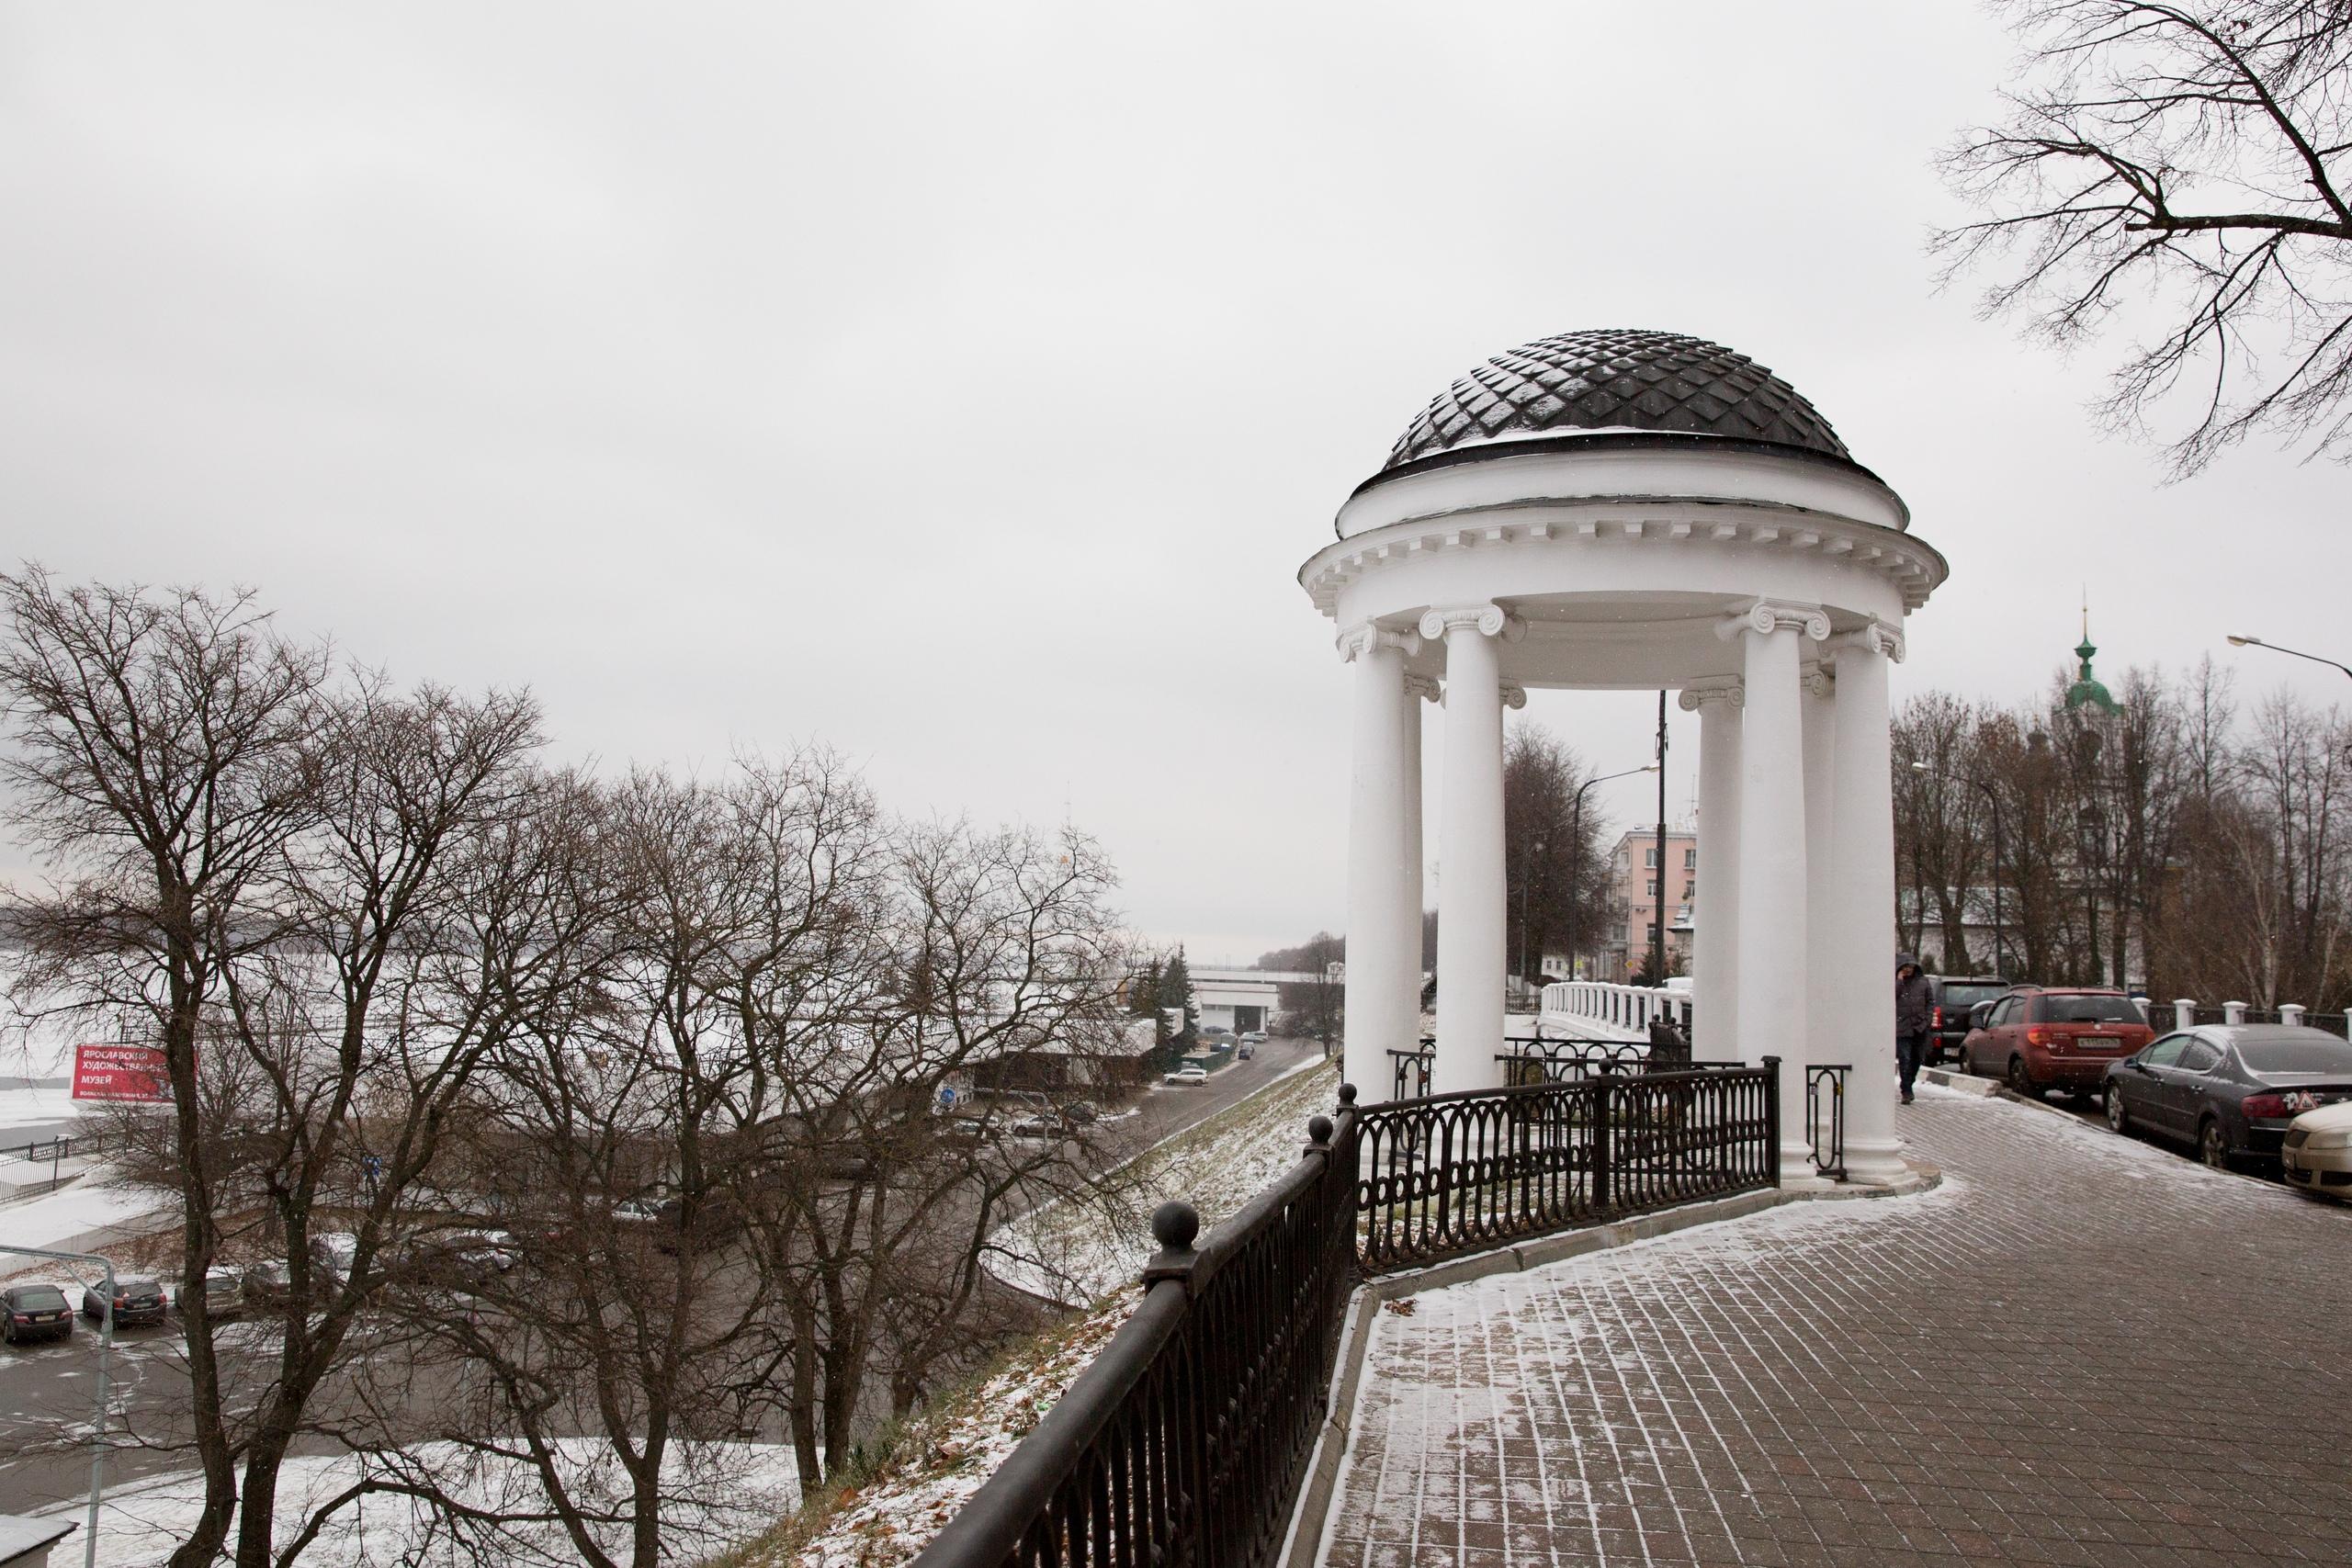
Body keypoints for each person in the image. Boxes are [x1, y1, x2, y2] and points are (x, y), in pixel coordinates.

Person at [1894, 953, 1933, 1104]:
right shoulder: (1897, 982)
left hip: (1920, 1027)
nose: (1908, 970)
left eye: (1910, 967)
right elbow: (1892, 996)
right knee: (1905, 1058)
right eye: (1905, 967)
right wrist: (1899, 980)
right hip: (1902, 1027)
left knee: (1917, 1058)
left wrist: (1927, 1019)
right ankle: (1906, 1090)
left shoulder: (1923, 982)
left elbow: (1930, 1001)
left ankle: (1909, 1083)